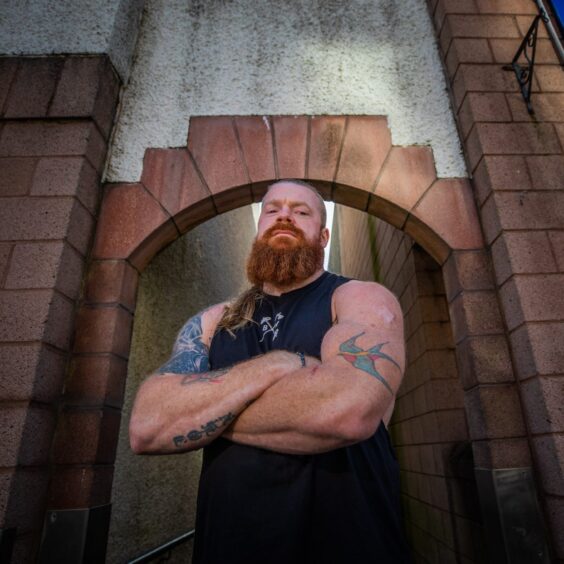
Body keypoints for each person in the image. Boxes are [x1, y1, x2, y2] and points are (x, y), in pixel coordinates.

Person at [129, 179, 411, 563]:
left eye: (301, 211)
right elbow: (148, 425)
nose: (285, 217)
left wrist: (201, 408)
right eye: (273, 209)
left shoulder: (358, 298)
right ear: (259, 229)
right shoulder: (214, 322)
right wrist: (282, 364)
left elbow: (348, 411)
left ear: (324, 235)